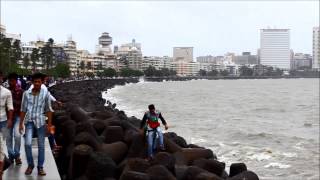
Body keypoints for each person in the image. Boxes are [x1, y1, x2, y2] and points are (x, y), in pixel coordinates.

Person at [19, 72, 53, 176]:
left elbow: (49, 109)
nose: (37, 83)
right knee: (27, 143)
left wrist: (49, 125)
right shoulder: (26, 93)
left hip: (41, 122)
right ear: (32, 82)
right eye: (35, 82)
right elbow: (23, 109)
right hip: (28, 121)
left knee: (41, 145)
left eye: (39, 81)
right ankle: (30, 165)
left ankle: (40, 167)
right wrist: (20, 123)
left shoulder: (45, 93)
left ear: (42, 82)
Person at [7, 73, 24, 165]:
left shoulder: (21, 91)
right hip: (8, 117)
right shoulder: (6, 91)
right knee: (8, 137)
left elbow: (23, 107)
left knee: (17, 136)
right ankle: (11, 156)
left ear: (16, 81)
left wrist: (22, 121)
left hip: (17, 117)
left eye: (12, 81)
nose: (10, 82)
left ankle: (17, 155)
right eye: (9, 81)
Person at [0, 70, 13, 179]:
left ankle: (0, 172)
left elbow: (10, 107)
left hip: (3, 122)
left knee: (3, 144)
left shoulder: (7, 92)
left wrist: (10, 120)